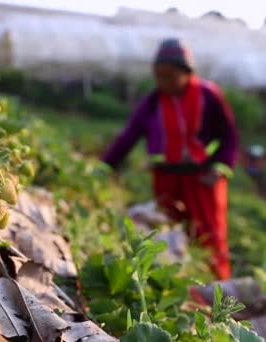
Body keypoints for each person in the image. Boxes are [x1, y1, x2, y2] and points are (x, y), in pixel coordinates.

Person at [101, 38, 239, 280]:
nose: (164, 82)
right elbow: (129, 136)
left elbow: (229, 136)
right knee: (170, 233)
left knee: (209, 236)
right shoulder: (153, 102)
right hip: (167, 179)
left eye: (170, 76)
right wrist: (106, 166)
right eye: (159, 76)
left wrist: (221, 166)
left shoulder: (208, 96)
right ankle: (181, 283)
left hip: (202, 179)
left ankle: (218, 288)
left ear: (186, 72)